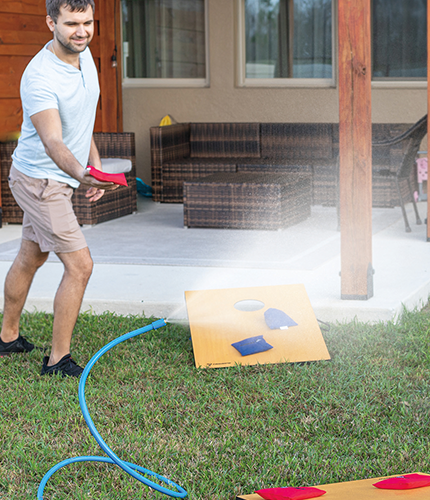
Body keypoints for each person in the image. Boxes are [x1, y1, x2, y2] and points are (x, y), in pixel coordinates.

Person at [0, 0, 117, 377]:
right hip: (41, 181)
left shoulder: (84, 56)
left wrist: (94, 162)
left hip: (58, 177)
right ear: (50, 21)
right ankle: (57, 360)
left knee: (31, 257)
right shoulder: (40, 77)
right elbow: (53, 141)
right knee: (80, 266)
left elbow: (79, 121)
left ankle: (7, 337)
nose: (81, 31)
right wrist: (82, 174)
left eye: (88, 22)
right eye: (71, 24)